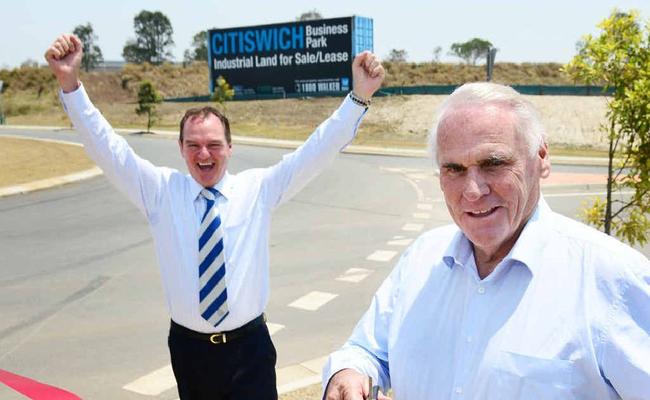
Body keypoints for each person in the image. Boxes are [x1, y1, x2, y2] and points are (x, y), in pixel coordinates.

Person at [45, 34, 384, 400]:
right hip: (190, 352)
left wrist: (359, 96)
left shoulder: (257, 190)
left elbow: (315, 151)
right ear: (180, 148)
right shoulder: (160, 192)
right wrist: (70, 84)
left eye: (213, 145)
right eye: (193, 145)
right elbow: (107, 147)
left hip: (249, 350)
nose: (203, 154)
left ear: (230, 148)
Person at [323, 82, 650, 400]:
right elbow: (366, 350)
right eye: (454, 169)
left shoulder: (612, 281)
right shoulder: (422, 260)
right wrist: (348, 373)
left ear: (541, 158)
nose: (473, 191)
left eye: (493, 164)